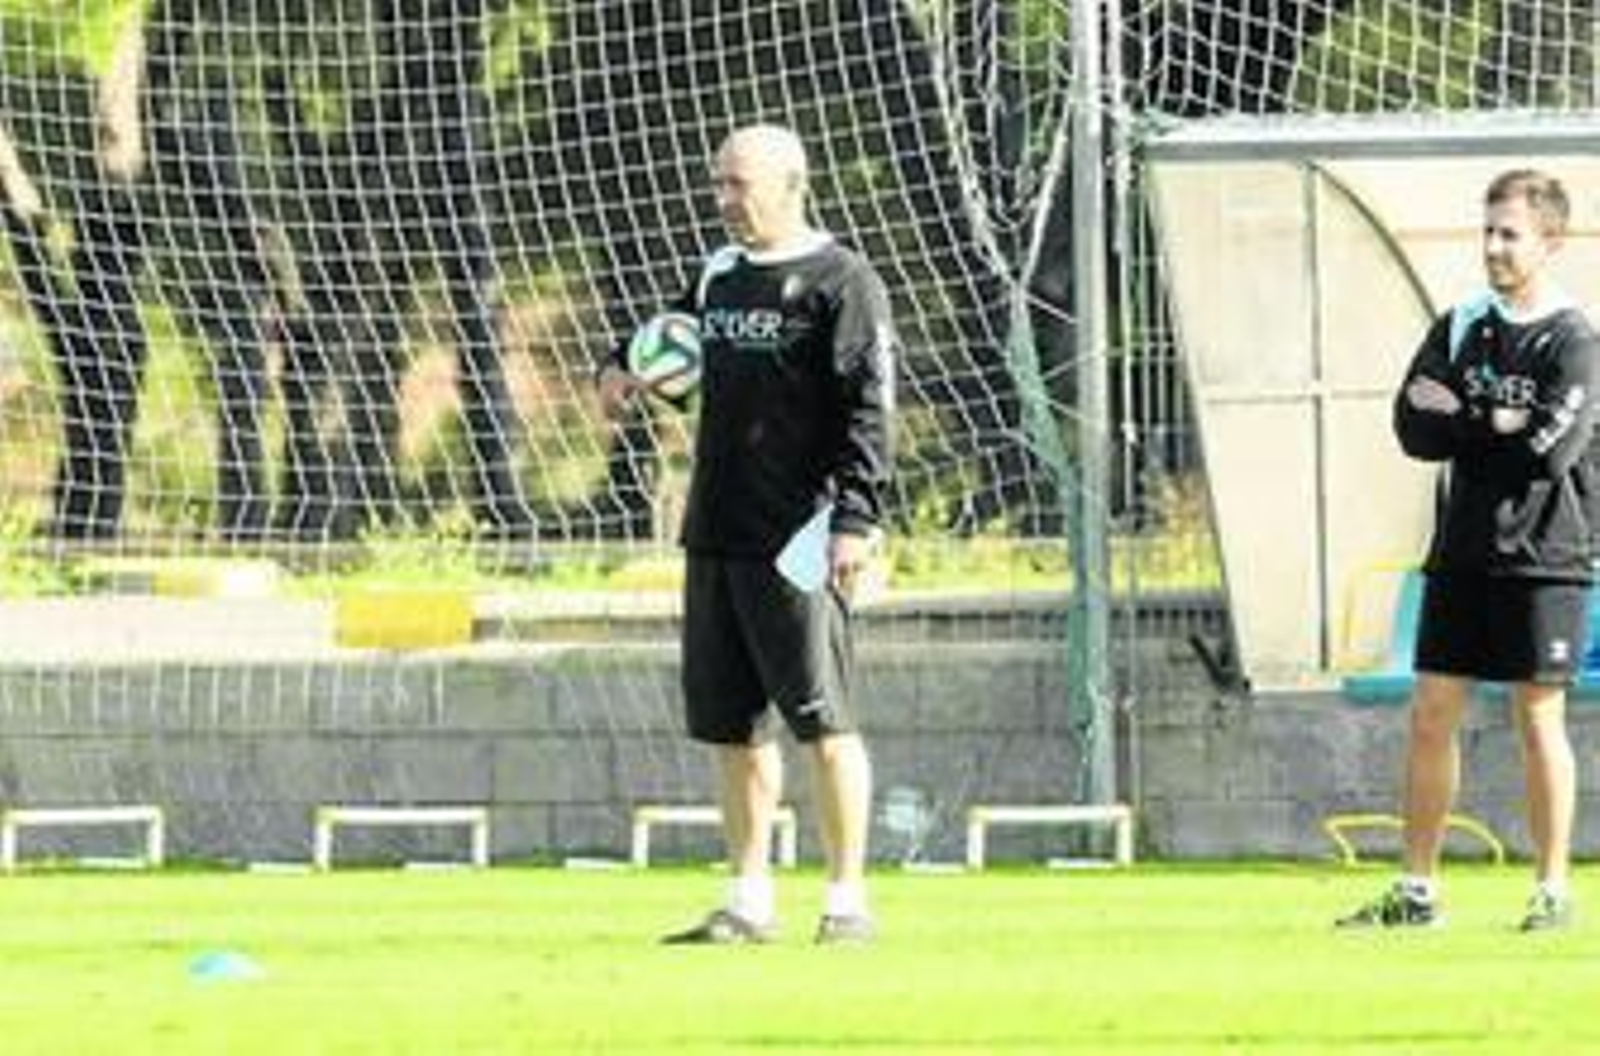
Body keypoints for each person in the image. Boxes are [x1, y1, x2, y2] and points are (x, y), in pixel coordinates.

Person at [597, 124, 898, 945]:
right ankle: (748, 900)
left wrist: (857, 522)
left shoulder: (843, 281)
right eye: (719, 183)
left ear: (791, 183)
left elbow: (871, 409)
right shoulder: (720, 274)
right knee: (731, 728)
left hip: (800, 538)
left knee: (824, 722)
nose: (724, 199)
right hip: (715, 532)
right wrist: (618, 369)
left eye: (738, 184)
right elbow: (666, 341)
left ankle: (846, 902)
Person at [1336, 169, 1600, 933]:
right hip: (1461, 552)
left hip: (1546, 556)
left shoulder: (1574, 339)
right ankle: (1417, 892)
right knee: (1430, 713)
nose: (1493, 247)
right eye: (1487, 231)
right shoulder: (1460, 326)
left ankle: (1551, 891)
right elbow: (1413, 426)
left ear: (1550, 242)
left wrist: (1468, 416)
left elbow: (1550, 453)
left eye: (1509, 233)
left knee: (1537, 717)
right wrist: (1498, 423)